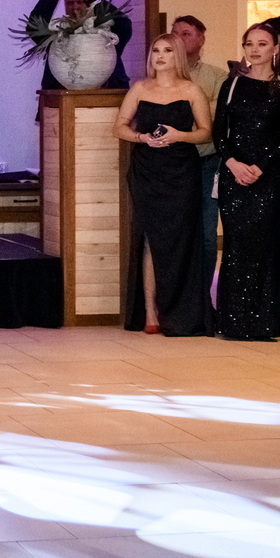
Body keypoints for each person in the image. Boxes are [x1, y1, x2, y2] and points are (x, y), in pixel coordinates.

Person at [212, 22, 280, 341]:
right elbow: (219, 132)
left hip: (268, 178)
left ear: (276, 48)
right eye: (249, 43)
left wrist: (261, 167)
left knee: (264, 246)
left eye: (262, 43)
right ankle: (232, 321)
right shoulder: (232, 84)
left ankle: (262, 322)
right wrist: (234, 164)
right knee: (235, 245)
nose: (254, 49)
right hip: (233, 176)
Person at [119, 34, 213, 337]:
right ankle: (150, 311)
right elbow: (118, 126)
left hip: (182, 171)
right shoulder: (139, 88)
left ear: (178, 56)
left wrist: (179, 135)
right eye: (156, 51)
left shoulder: (191, 90)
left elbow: (206, 132)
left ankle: (181, 312)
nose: (160, 56)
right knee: (151, 238)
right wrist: (142, 137)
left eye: (168, 50)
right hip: (147, 171)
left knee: (181, 238)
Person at [171, 16, 228, 283]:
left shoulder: (218, 76)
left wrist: (182, 120)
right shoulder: (161, 75)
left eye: (185, 33)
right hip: (172, 164)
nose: (178, 38)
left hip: (207, 162)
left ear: (201, 39)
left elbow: (216, 116)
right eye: (174, 33)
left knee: (206, 234)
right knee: (175, 231)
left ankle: (203, 296)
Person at [27, 0, 131, 91]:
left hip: (106, 96)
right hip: (62, 97)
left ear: (88, 4)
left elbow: (124, 24)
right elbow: (34, 28)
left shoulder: (105, 33)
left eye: (80, 2)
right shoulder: (58, 36)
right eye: (70, 3)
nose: (75, 7)